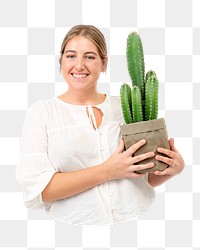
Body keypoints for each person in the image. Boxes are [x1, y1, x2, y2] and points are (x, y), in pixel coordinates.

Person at [16, 25, 185, 225]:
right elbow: (40, 190)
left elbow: (141, 178)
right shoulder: (42, 112)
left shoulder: (127, 106)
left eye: (89, 57)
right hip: (73, 231)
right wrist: (108, 170)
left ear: (104, 64)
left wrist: (174, 168)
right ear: (60, 62)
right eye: (71, 56)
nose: (79, 65)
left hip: (140, 222)